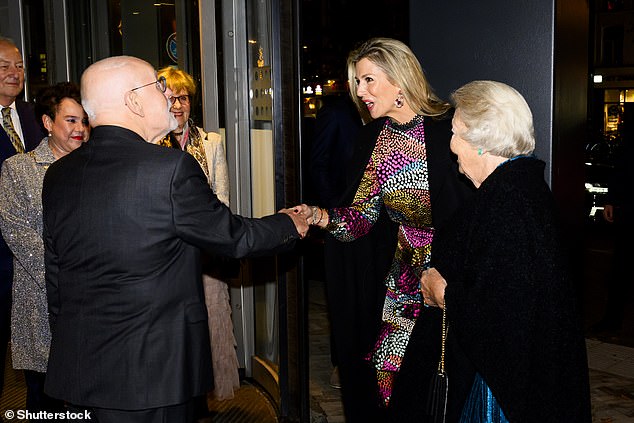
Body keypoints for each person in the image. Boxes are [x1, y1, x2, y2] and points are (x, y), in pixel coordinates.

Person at [41, 55, 308, 423]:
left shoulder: (58, 175)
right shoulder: (169, 169)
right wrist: (288, 224)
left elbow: (55, 278)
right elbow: (232, 237)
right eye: (158, 86)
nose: (167, 96)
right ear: (134, 100)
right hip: (153, 376)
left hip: (81, 370)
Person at [295, 38, 472, 420]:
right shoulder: (374, 138)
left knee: (441, 383)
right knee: (387, 377)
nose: (361, 92)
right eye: (358, 82)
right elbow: (362, 216)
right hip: (401, 281)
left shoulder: (450, 129)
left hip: (450, 280)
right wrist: (318, 216)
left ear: (400, 81)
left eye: (369, 80)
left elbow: (475, 213)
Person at [416, 80, 591, 422]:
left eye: (454, 133)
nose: (450, 146)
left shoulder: (506, 203)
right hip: (528, 381)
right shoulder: (521, 190)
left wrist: (444, 294)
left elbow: (504, 316)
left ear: (481, 142)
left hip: (504, 395)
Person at [0, 81, 89, 415]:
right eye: (71, 120)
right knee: (45, 398)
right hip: (40, 301)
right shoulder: (19, 169)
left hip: (91, 301)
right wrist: (64, 276)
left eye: (84, 120)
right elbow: (17, 231)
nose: (80, 129)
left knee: (88, 394)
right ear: (48, 123)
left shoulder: (96, 166)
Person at [156, 66, 239, 403]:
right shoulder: (150, 143)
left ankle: (204, 399)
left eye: (184, 97)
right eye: (170, 97)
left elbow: (222, 201)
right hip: (166, 258)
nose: (178, 105)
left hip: (206, 257)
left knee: (210, 325)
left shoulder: (212, 143)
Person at [0, 36, 45, 405]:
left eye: (19, 66)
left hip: (38, 257)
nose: (14, 73)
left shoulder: (36, 117)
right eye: (4, 66)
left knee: (38, 353)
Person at [308, 94, 363, 389]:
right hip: (342, 217)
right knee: (343, 294)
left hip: (383, 223)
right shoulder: (337, 112)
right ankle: (340, 363)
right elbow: (319, 164)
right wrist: (335, 209)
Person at [598, 104, 634, 333]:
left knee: (621, 270)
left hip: (628, 209)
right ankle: (612, 321)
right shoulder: (629, 134)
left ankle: (612, 321)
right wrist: (611, 199)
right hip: (629, 210)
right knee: (621, 270)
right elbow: (622, 167)